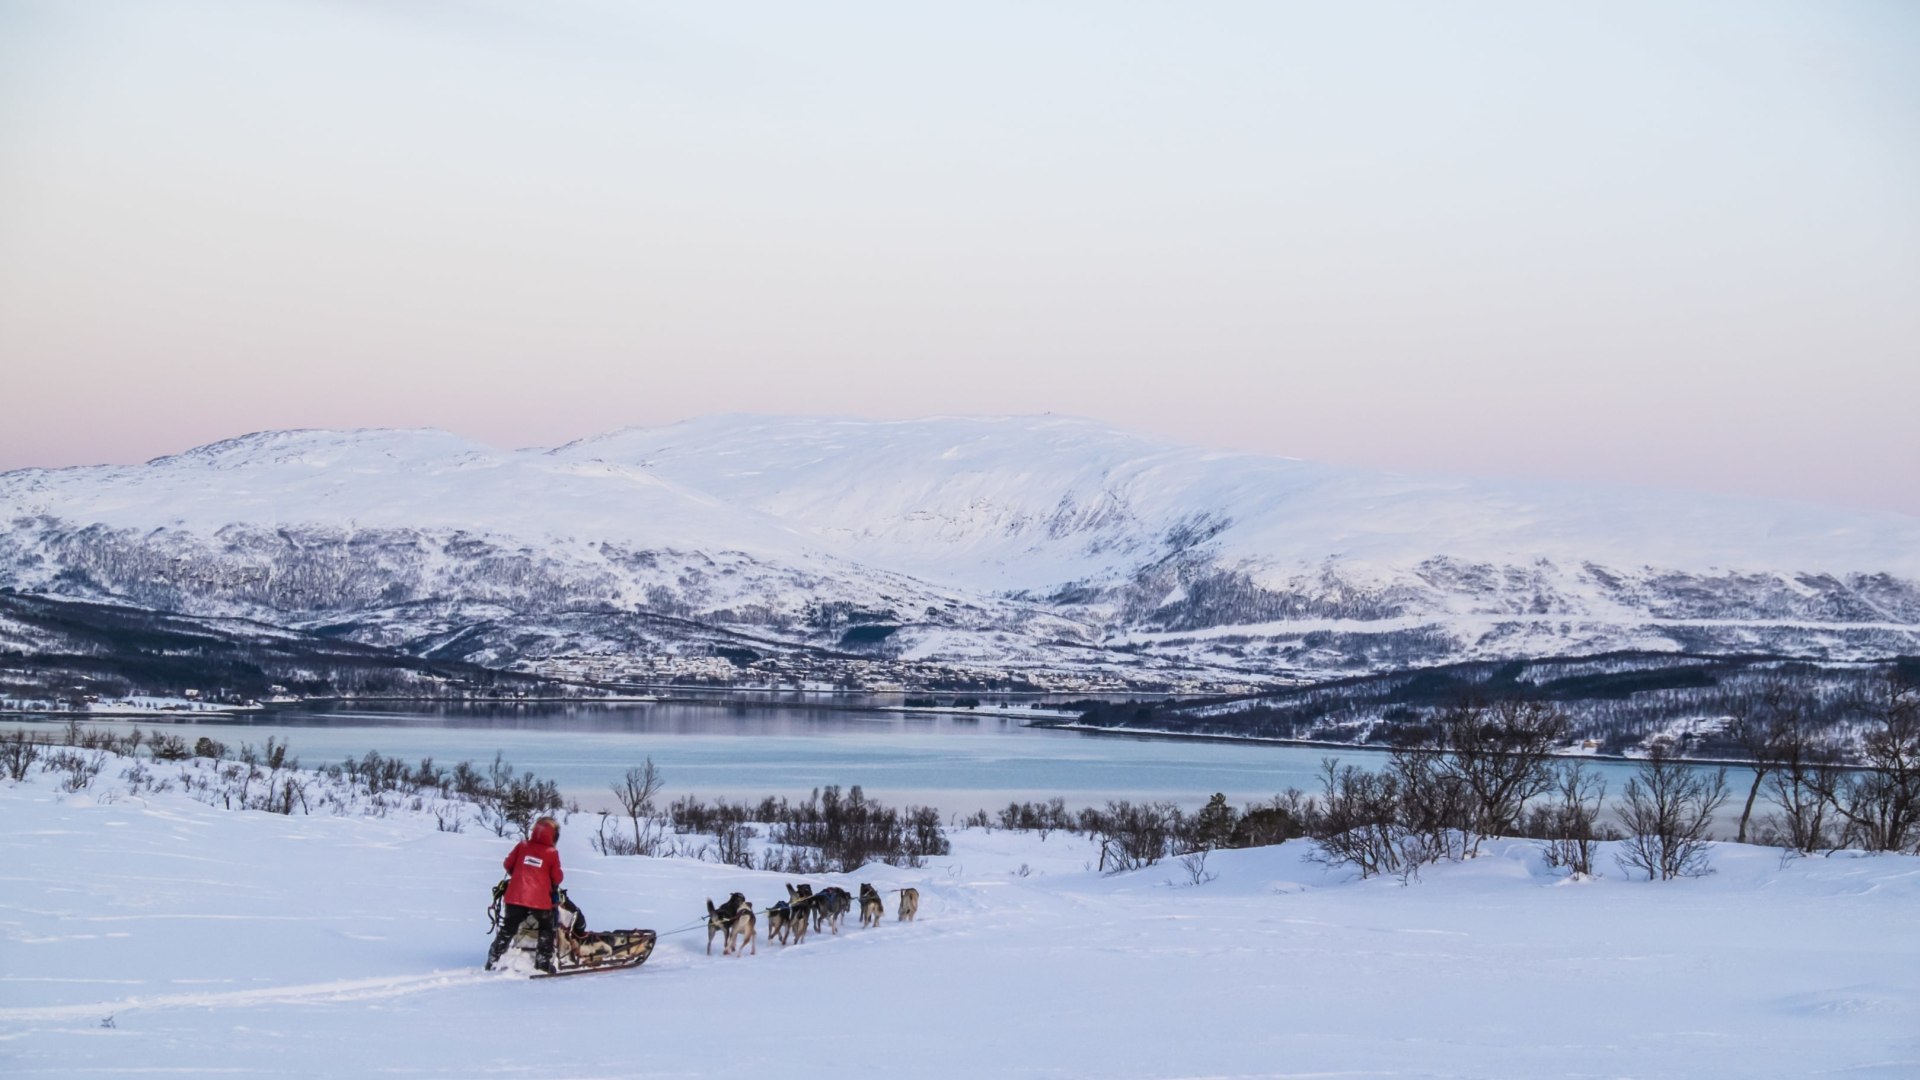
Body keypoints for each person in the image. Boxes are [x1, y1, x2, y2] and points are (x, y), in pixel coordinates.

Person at [486, 816, 564, 974]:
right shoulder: (551, 853)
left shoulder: (522, 846)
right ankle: (542, 963)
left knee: (507, 928)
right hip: (540, 901)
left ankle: (493, 959)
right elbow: (557, 877)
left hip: (515, 897)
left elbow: (508, 864)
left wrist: (519, 874)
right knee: (546, 928)